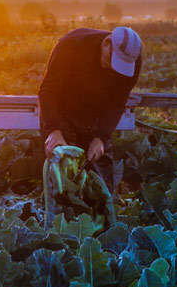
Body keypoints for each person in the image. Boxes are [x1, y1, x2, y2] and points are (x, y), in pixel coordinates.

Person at [39, 27, 142, 220]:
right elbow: (47, 91)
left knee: (102, 179)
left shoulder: (133, 59)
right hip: (63, 112)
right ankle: (59, 230)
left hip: (96, 116)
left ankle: (100, 230)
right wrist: (53, 129)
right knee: (62, 175)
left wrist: (101, 137)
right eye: (112, 62)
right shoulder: (71, 45)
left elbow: (117, 102)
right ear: (106, 44)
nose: (113, 69)